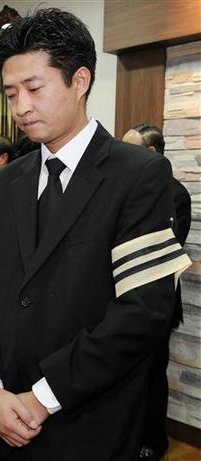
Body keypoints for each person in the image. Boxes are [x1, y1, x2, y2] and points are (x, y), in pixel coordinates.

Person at [0, 8, 191, 460]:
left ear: (80, 80)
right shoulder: (3, 184)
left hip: (88, 421)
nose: (20, 108)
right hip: (3, 416)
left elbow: (142, 312)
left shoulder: (139, 176)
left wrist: (43, 396)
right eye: (11, 94)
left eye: (34, 88)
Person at [122, 124, 192, 461]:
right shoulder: (127, 188)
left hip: (155, 302)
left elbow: (164, 253)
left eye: (130, 147)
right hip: (122, 299)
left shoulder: (174, 193)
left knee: (152, 372)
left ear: (151, 152)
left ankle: (153, 441)